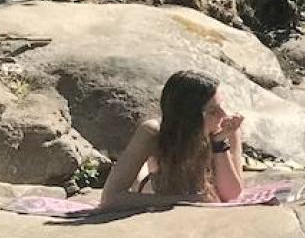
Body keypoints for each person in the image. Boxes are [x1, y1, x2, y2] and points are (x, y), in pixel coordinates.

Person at [100, 69, 246, 209]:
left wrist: (219, 144)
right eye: (213, 110)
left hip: (186, 189)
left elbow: (231, 195)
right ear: (188, 116)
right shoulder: (154, 132)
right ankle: (139, 167)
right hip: (156, 186)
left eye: (222, 106)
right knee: (142, 179)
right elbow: (110, 199)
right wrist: (186, 200)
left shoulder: (227, 129)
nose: (224, 114)